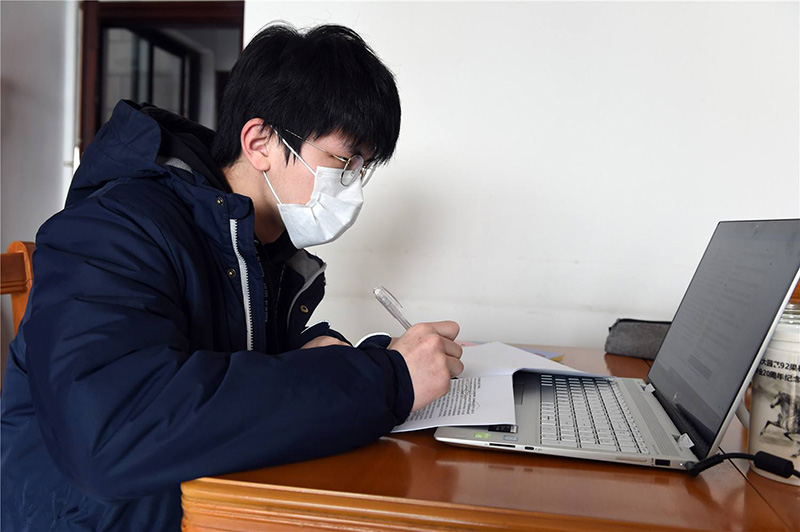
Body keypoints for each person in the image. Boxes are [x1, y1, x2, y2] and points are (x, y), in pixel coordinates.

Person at [1, 23, 463, 531]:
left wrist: (336, 357)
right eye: (341, 161)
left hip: (205, 503)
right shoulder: (113, 230)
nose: (352, 188)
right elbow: (112, 435)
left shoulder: (261, 246)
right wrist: (388, 379)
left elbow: (225, 370)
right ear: (260, 141)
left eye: (362, 168)